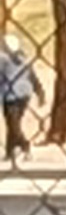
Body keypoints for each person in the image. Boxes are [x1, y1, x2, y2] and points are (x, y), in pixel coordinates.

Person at [0, 25, 32, 161]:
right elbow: (33, 76)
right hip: (24, 94)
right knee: (13, 123)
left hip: (10, 95)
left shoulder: (2, 59)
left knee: (13, 124)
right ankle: (10, 151)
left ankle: (25, 146)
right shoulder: (24, 58)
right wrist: (39, 91)